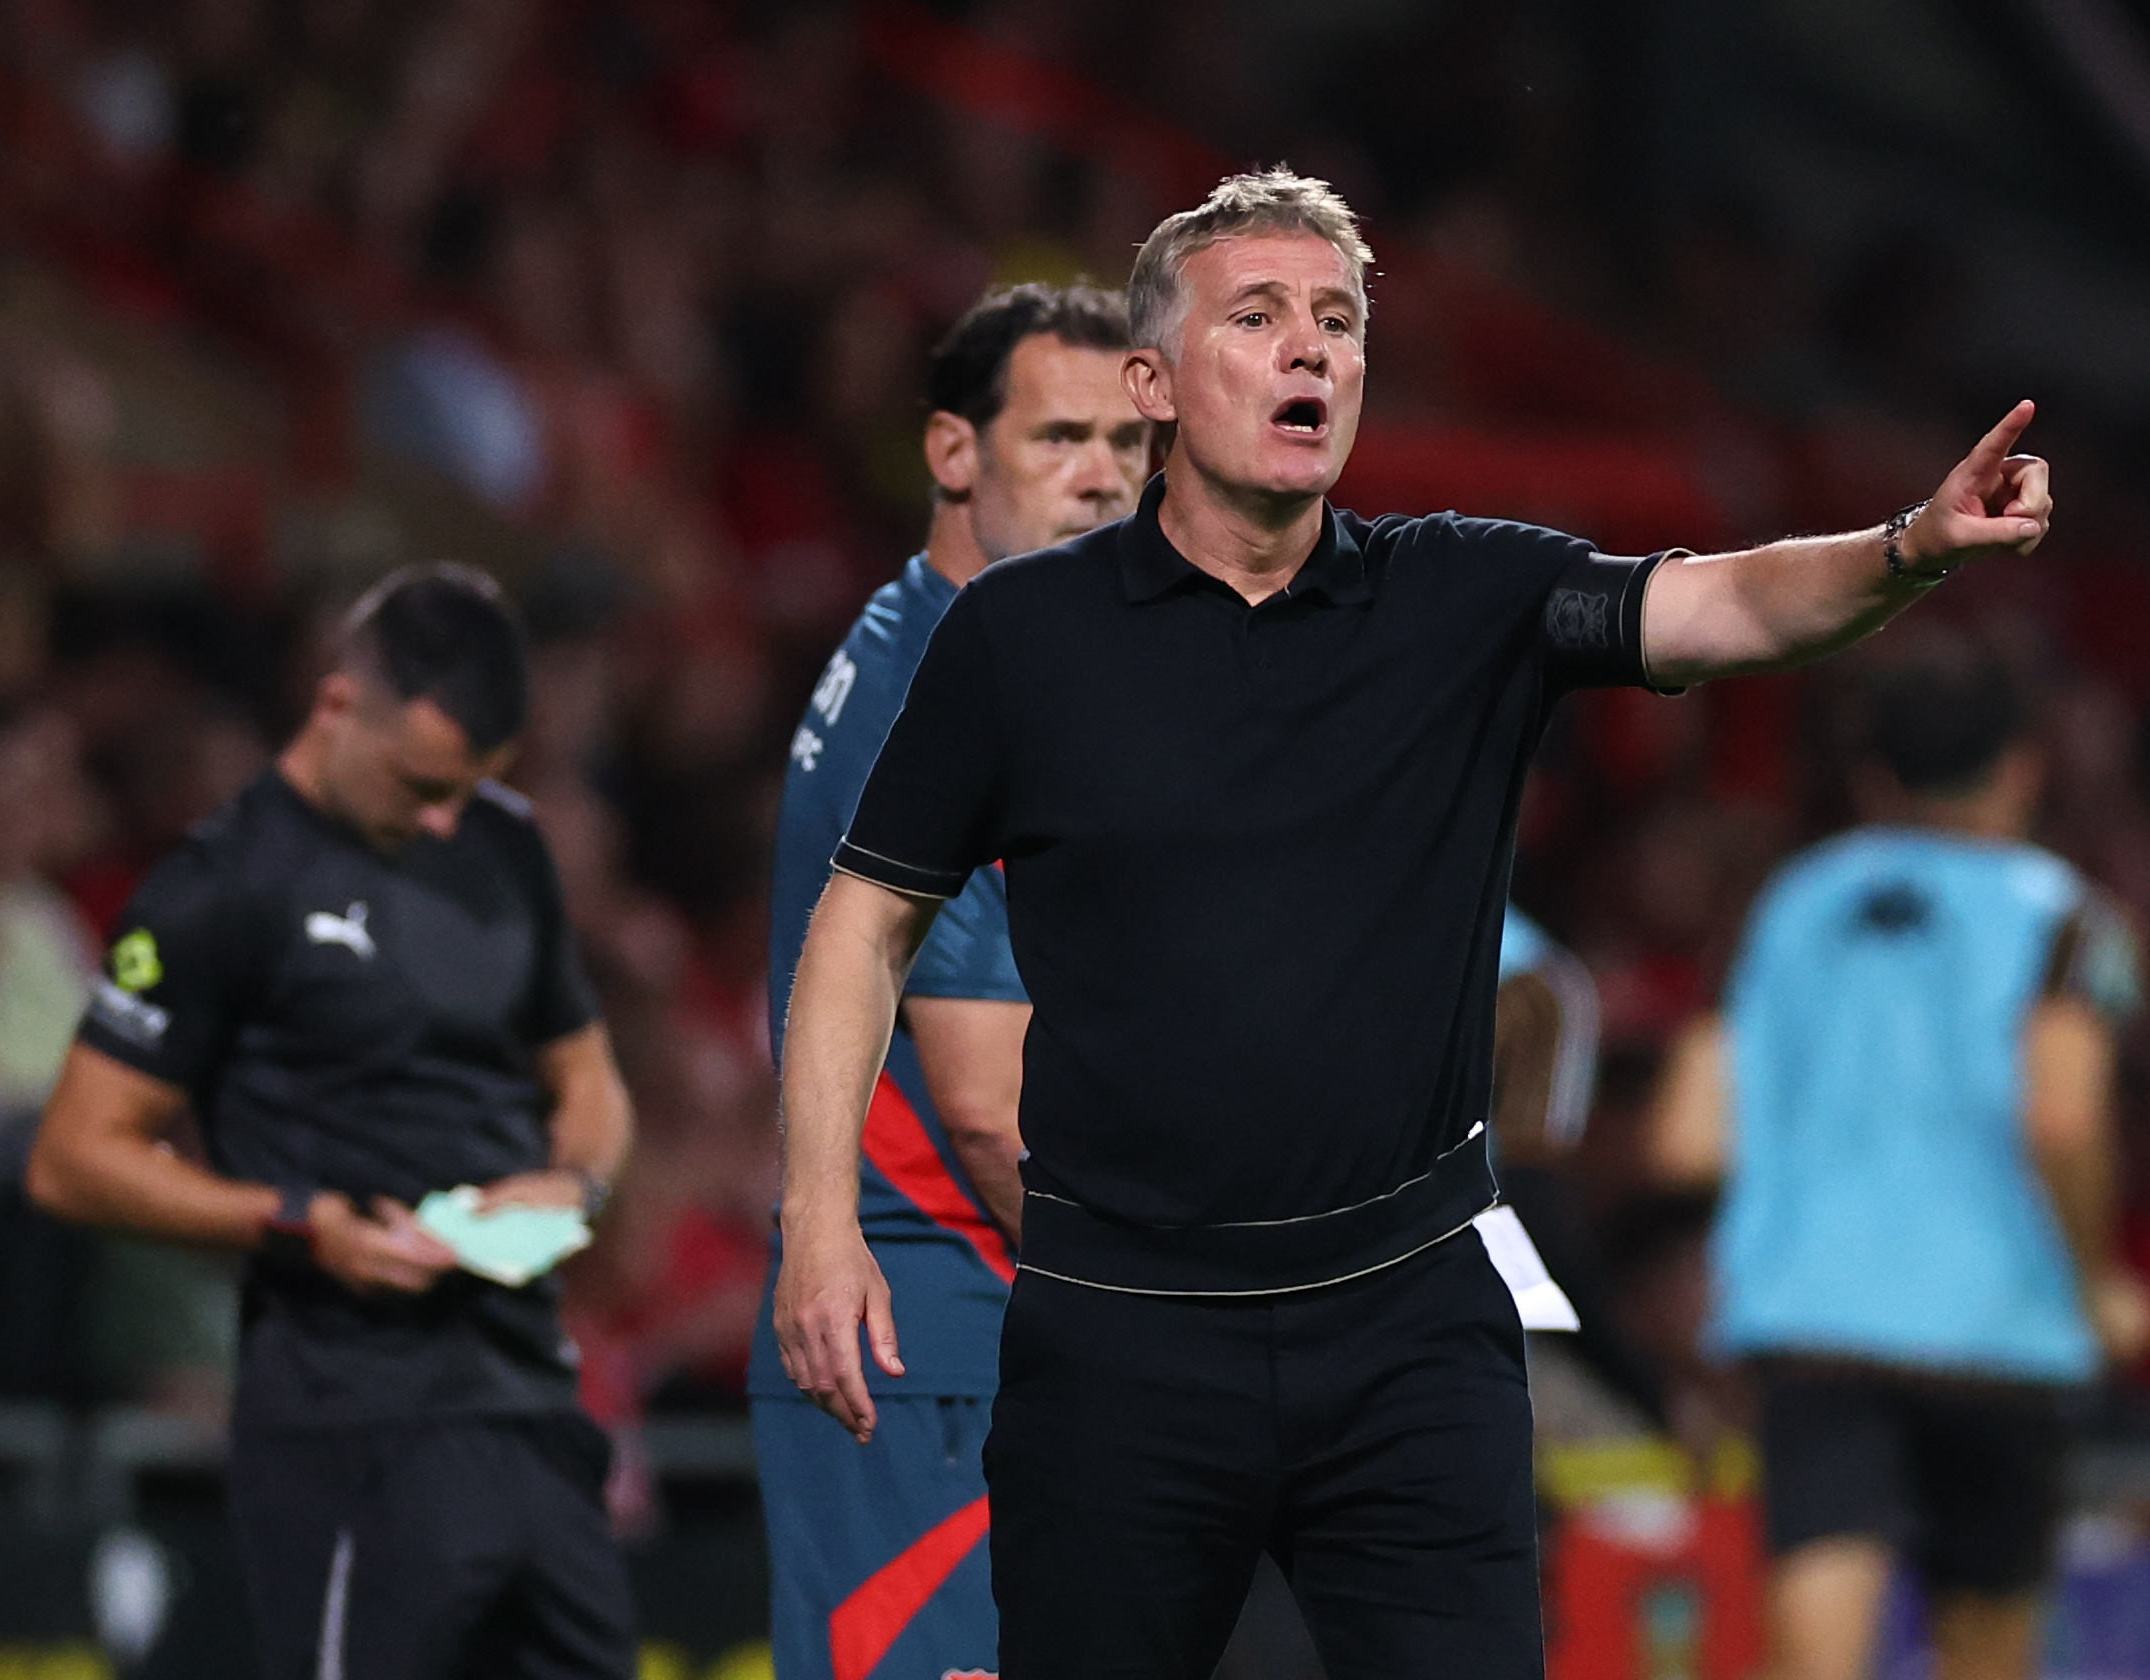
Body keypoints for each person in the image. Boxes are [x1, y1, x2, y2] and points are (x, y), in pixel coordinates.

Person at [774, 169, 2054, 1680]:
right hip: (1124, 1334)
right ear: (1155, 382)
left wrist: (1907, 544)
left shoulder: (1468, 597)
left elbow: (1729, 610)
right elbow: (864, 923)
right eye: (1259, 317)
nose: (1312, 349)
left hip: (1407, 1330)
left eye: (1339, 321)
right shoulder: (1022, 638)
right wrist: (815, 1218)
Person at [26, 564, 638, 1680]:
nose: (445, 815)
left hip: (527, 1402)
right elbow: (73, 1159)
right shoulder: (218, 887)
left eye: (472, 784)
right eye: (422, 783)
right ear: (339, 706)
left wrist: (575, 1183)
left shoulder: (503, 845)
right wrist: (303, 1223)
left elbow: (589, 1076)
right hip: (349, 1418)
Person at [755, 282, 1150, 1680]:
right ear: (952, 452)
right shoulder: (955, 691)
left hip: (955, 1332)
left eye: (1129, 442)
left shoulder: (919, 635)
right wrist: (1185, 1305)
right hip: (939, 1347)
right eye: (1060, 439)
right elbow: (985, 1107)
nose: (1105, 477)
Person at [1649, 638, 2150, 1680]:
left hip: (1817, 1336)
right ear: (2024, 766)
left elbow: (1688, 1139)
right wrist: (2096, 1281)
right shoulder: (2074, 921)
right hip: (2002, 1342)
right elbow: (2061, 1116)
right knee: (1985, 1653)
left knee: (1815, 1659)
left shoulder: (1781, 907)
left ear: (1873, 774)